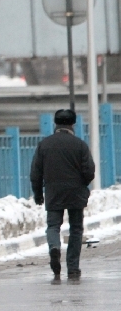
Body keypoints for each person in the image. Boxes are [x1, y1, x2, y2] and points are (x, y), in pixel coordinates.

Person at [30, 109, 95, 280]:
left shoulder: (44, 145)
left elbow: (35, 172)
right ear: (73, 124)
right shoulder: (80, 145)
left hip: (53, 192)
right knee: (76, 229)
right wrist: (82, 184)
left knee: (53, 226)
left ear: (55, 124)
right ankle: (73, 268)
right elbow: (89, 171)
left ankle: (54, 248)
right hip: (76, 192)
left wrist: (38, 193)